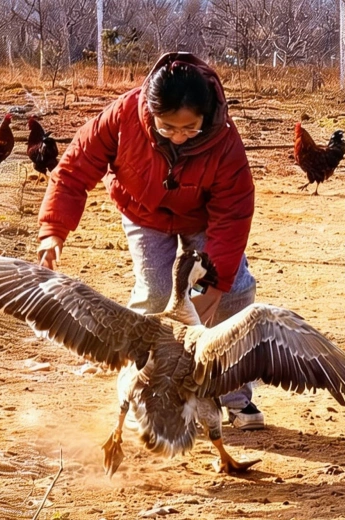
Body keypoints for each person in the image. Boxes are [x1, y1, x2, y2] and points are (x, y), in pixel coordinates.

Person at [35, 52, 264, 430]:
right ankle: (140, 394)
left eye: (189, 128)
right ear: (150, 110)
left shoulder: (225, 141)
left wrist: (215, 284)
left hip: (202, 218)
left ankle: (234, 396)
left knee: (236, 290)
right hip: (142, 211)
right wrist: (53, 231)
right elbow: (75, 168)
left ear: (205, 116)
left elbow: (233, 214)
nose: (178, 135)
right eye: (167, 127)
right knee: (156, 294)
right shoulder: (123, 115)